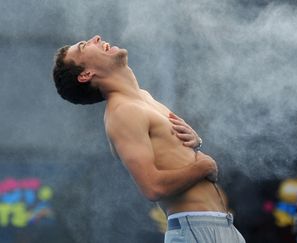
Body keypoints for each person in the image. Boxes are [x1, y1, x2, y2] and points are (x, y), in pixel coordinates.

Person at [52, 35, 245, 243]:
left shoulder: (143, 98)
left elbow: (170, 155)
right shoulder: (122, 112)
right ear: (86, 74)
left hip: (219, 226)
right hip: (196, 230)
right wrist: (204, 166)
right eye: (83, 46)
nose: (95, 38)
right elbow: (153, 187)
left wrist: (195, 143)